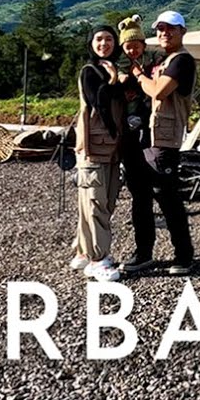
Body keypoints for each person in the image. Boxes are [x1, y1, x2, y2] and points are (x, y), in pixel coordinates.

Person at [122, 9, 196, 276]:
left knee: (168, 198)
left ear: (182, 31)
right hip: (144, 138)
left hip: (165, 140)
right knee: (140, 197)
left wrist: (139, 75)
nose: (165, 33)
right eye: (160, 29)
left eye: (171, 29)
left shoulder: (181, 61)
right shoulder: (163, 61)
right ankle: (143, 252)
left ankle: (184, 255)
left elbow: (158, 90)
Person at [69, 24, 125, 282]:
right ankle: (97, 259)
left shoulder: (108, 69)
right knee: (95, 204)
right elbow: (98, 100)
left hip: (109, 147)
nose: (104, 44)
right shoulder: (90, 72)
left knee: (98, 202)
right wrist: (114, 80)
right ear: (91, 43)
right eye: (99, 39)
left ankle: (83, 251)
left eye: (109, 39)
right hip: (94, 147)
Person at [114, 14, 159, 231]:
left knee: (145, 162)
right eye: (128, 47)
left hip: (144, 115)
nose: (132, 51)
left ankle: (148, 203)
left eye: (136, 46)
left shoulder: (151, 61)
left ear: (143, 44)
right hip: (128, 117)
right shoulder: (121, 62)